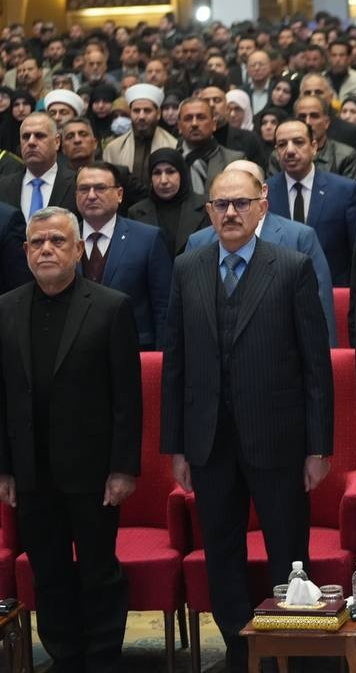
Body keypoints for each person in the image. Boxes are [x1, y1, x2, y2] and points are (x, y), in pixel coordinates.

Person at [161, 168, 333, 673]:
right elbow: (175, 363)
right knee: (221, 553)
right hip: (208, 440)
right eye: (221, 204)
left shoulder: (291, 266)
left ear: (262, 206)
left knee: (288, 553)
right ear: (209, 211)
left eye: (240, 203)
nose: (231, 212)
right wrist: (176, 446)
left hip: (278, 438)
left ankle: (290, 651)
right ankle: (241, 653)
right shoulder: (187, 267)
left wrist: (318, 447)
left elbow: (316, 367)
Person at [0, 205, 139, 673]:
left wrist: (123, 468)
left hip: (94, 471)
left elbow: (127, 399)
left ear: (78, 249)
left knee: (100, 572)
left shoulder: (111, 306)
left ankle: (102, 659)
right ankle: (66, 657)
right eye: (38, 242)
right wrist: (4, 468)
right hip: (32, 471)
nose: (47, 250)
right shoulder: (5, 308)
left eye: (57, 241)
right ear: (25, 251)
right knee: (48, 573)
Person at [186, 160, 338, 347]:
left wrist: (328, 351)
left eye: (242, 200)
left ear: (263, 192)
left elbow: (320, 307)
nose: (231, 211)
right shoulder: (198, 242)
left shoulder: (299, 236)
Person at [75, 162, 172, 350]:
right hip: (79, 352)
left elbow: (164, 308)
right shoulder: (64, 241)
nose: (91, 195)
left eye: (100, 188)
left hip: (135, 351)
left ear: (119, 194)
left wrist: (161, 358)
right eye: (84, 189)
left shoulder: (148, 238)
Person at [265, 118, 356, 285]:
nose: (290, 150)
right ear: (276, 152)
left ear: (314, 147)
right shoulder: (264, 193)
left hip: (332, 289)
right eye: (282, 144)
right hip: (278, 289)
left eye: (298, 142)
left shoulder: (345, 191)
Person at [128, 149, 211, 258]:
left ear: (182, 174)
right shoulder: (136, 213)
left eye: (170, 172)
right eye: (157, 173)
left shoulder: (205, 207)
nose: (163, 180)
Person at [0, 112, 78, 219]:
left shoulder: (76, 183)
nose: (31, 142)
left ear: (57, 142)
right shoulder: (3, 186)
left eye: (40, 136)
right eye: (26, 137)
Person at [102, 83, 178, 184]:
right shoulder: (114, 148)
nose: (141, 116)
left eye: (147, 111)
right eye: (136, 111)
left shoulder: (173, 145)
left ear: (158, 114)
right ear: (130, 114)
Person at [177, 98, 244, 197]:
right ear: (179, 126)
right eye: (188, 118)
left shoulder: (234, 161)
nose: (194, 124)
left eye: (201, 118)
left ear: (214, 124)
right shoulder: (171, 162)